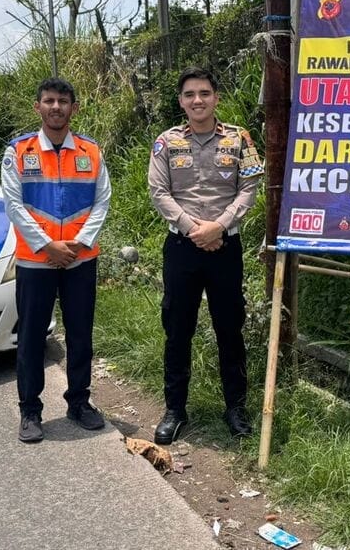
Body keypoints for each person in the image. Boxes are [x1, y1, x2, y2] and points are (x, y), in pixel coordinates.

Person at [147, 67, 264, 444]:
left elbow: (249, 187)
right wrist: (194, 230)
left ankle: (236, 408)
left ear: (216, 97)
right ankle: (174, 410)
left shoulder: (239, 138)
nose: (197, 100)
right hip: (182, 249)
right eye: (190, 94)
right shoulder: (166, 142)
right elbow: (159, 192)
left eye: (204, 93)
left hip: (225, 249)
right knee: (177, 329)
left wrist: (219, 226)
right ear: (181, 101)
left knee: (230, 328)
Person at [1, 77, 112, 443]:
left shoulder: (91, 151)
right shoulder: (19, 151)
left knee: (81, 335)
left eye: (63, 102)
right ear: (38, 107)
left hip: (81, 260)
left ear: (73, 108)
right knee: (31, 337)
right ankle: (30, 411)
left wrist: (78, 244)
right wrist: (48, 246)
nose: (56, 107)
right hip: (36, 261)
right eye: (49, 101)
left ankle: (79, 402)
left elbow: (102, 201)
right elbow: (14, 205)